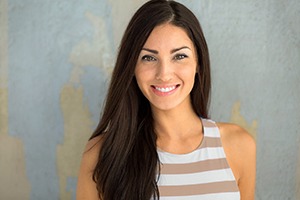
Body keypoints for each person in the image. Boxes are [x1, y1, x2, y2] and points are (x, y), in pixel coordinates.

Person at [76, 0, 256, 199]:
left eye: (179, 56)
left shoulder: (239, 145)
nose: (164, 74)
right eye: (149, 58)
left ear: (198, 63)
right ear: (132, 68)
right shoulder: (102, 154)